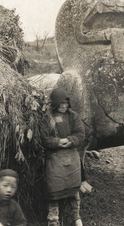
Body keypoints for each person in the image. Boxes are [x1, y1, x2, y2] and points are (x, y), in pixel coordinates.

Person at [41, 88, 85, 226]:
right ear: (55, 104)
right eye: (60, 104)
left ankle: (76, 216)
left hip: (71, 156)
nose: (64, 106)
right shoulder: (47, 118)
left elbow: (80, 133)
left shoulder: (73, 116)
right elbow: (43, 138)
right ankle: (53, 219)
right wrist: (57, 142)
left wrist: (71, 140)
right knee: (54, 187)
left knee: (74, 187)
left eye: (66, 104)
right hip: (54, 157)